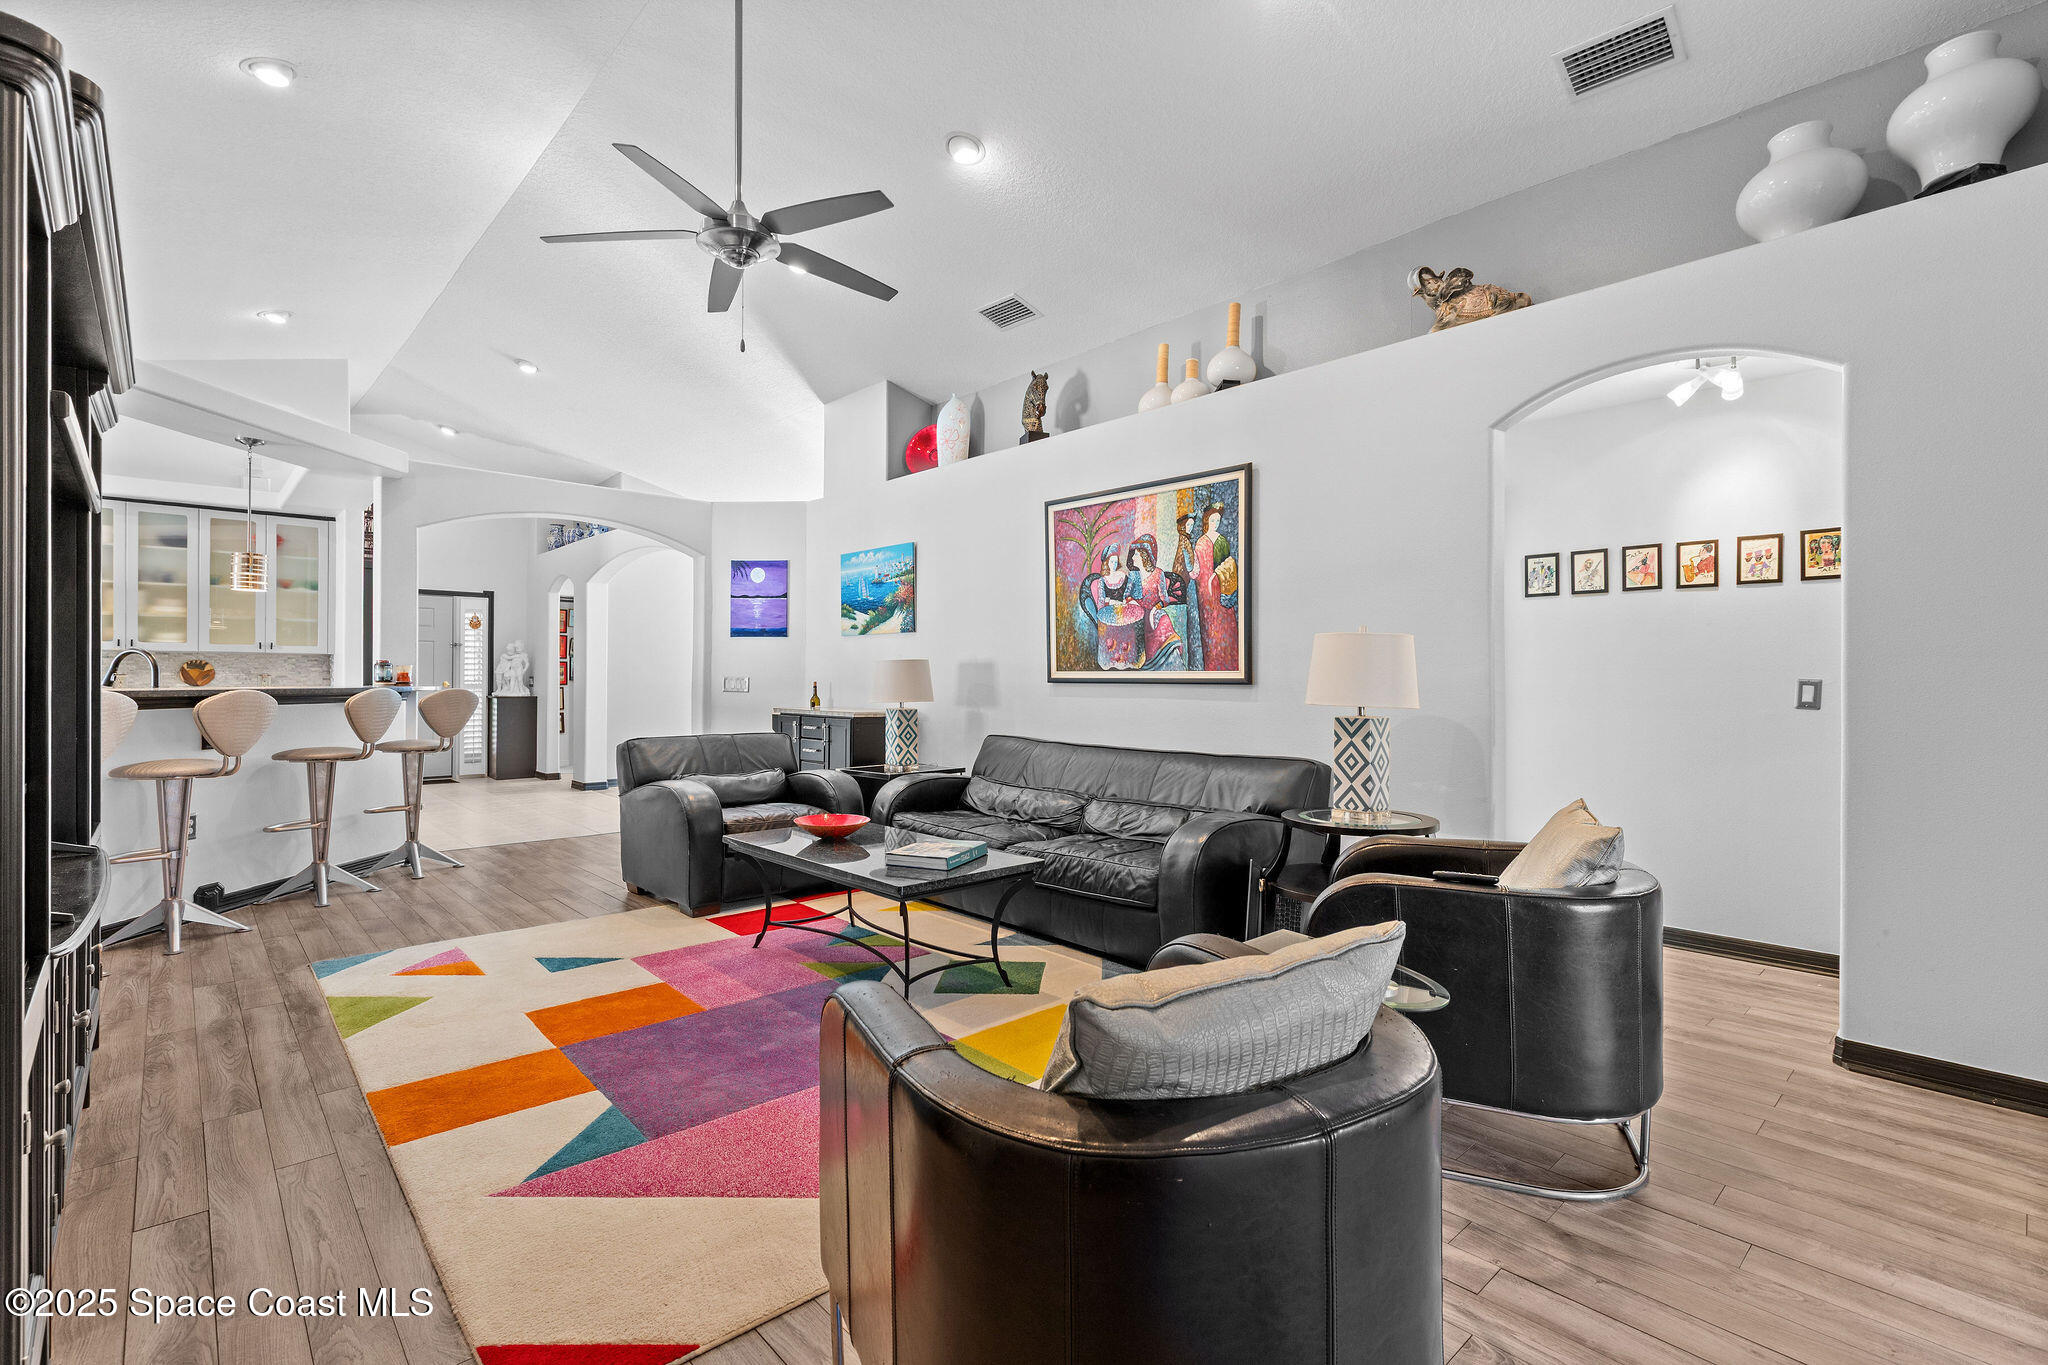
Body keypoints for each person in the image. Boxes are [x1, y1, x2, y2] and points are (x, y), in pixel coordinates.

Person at [1125, 537, 1185, 669]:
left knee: (1164, 622)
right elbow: (1126, 596)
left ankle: (1168, 662)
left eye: (1136, 554)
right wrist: (1133, 602)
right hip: (1137, 614)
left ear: (1144, 556)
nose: (1133, 557)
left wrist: (1154, 610)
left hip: (1154, 612)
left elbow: (1165, 599)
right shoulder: (1133, 575)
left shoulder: (1158, 574)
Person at [1192, 503, 1238, 672]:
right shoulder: (1200, 542)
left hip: (1221, 588)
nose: (1215, 523)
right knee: (1210, 629)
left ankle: (1230, 664)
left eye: (1218, 520)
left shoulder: (1222, 541)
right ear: (1206, 520)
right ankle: (1212, 665)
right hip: (1205, 592)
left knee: (1225, 628)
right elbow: (1197, 570)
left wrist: (1217, 575)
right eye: (1213, 520)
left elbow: (1228, 565)